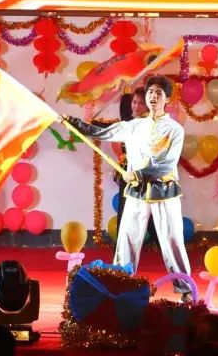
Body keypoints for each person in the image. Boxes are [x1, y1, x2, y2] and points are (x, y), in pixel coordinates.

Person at [64, 76, 193, 302]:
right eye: (150, 92)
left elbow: (167, 164)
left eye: (158, 93)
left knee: (172, 241)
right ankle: (119, 286)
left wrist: (140, 173)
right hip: (137, 192)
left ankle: (186, 290)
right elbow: (102, 132)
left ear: (167, 99)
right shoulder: (133, 126)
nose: (153, 96)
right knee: (127, 240)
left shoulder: (175, 130)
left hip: (164, 192)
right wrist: (74, 123)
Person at [113, 87, 148, 232]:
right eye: (134, 102)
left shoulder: (149, 123)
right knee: (124, 210)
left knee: (148, 214)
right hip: (127, 172)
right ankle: (121, 245)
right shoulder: (128, 122)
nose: (136, 106)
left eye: (141, 103)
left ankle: (163, 243)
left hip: (144, 173)